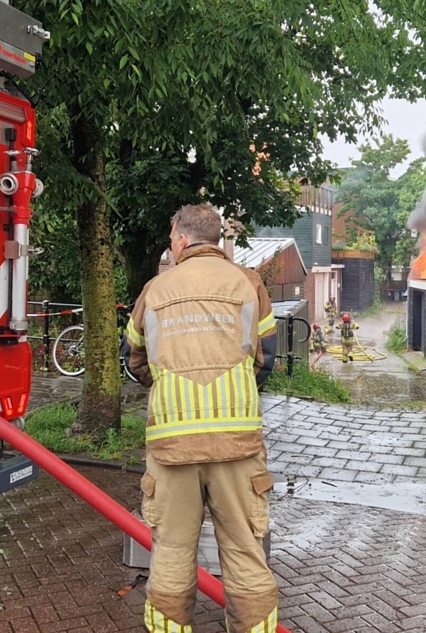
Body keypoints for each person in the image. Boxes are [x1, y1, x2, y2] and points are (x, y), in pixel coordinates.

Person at [126, 204, 279, 633]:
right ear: (216, 239)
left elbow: (134, 360)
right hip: (238, 446)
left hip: (172, 449)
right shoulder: (249, 284)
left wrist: (168, 390)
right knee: (246, 554)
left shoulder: (155, 289)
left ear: (179, 239)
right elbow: (266, 360)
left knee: (172, 555)